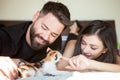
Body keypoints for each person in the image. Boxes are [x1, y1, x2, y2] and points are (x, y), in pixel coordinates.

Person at [0, 1, 72, 79]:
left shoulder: (55, 42)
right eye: (44, 28)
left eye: (53, 34)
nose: (46, 37)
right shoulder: (4, 37)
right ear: (35, 16)